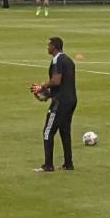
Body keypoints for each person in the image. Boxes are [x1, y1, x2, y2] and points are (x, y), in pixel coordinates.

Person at [33, 35, 77, 173]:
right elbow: (64, 84)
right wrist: (48, 95)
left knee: (48, 131)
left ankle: (48, 165)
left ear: (54, 46)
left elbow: (56, 81)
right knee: (65, 131)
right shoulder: (69, 60)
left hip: (61, 102)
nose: (47, 47)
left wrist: (42, 87)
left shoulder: (57, 60)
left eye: (49, 45)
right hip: (71, 100)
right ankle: (68, 163)